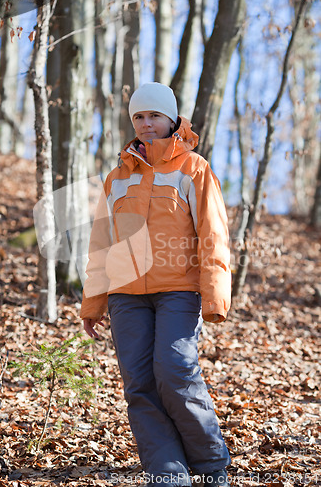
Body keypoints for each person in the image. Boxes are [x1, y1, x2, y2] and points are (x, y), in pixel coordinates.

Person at [81, 82, 232, 487]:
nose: (147, 124)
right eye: (139, 117)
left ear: (171, 119)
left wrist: (214, 293)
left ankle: (210, 463)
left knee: (175, 368)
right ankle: (167, 471)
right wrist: (93, 303)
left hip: (178, 290)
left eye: (154, 115)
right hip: (125, 295)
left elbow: (213, 233)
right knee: (139, 382)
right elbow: (101, 242)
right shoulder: (116, 177)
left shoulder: (193, 169)